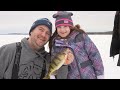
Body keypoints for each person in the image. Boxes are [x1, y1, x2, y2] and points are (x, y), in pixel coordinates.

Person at [49, 11, 104, 79]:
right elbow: (54, 62)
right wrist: (52, 75)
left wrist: (100, 74)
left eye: (65, 26)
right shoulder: (56, 44)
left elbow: (95, 55)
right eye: (59, 27)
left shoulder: (81, 37)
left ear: (70, 26)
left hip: (89, 75)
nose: (62, 30)